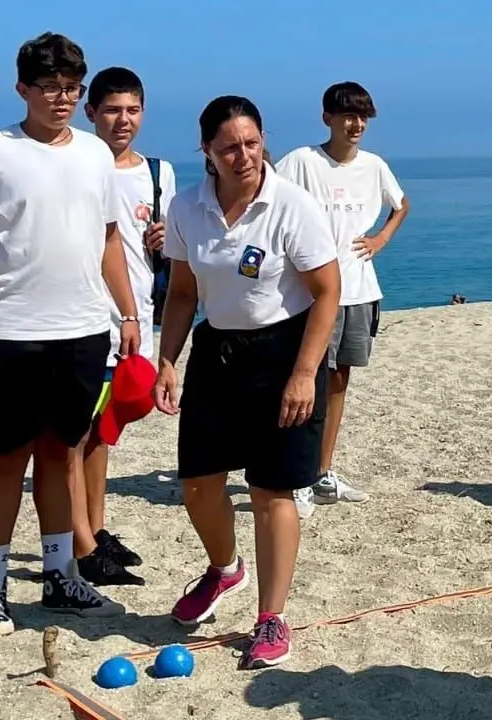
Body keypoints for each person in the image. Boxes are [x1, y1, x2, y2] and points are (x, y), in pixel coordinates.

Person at [0, 32, 136, 634]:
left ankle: (60, 576)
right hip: (9, 333)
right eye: (50, 87)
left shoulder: (94, 155)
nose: (61, 99)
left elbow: (109, 239)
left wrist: (127, 313)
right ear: (23, 88)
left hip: (82, 330)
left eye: (71, 88)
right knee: (5, 457)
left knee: (62, 452)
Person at [153, 96, 340, 669]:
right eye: (230, 146)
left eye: (253, 144)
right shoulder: (187, 208)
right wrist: (168, 360)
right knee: (198, 484)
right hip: (218, 349)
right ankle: (224, 569)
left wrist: (305, 374)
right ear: (207, 151)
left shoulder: (291, 205)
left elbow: (327, 291)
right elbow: (183, 292)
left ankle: (271, 617)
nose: (244, 157)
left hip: (285, 350)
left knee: (271, 491)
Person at [274, 82, 411, 514]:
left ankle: (322, 472)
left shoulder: (373, 166)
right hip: (311, 294)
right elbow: (269, 201)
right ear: (326, 118)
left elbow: (401, 204)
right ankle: (294, 475)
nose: (355, 124)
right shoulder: (301, 162)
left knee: (337, 383)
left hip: (360, 289)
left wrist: (380, 240)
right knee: (302, 382)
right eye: (347, 115)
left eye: (362, 117)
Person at [72, 66, 178, 586]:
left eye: (132, 109)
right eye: (112, 109)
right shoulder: (79, 165)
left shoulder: (158, 173)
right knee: (81, 429)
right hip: (89, 316)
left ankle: (96, 526)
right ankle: (83, 542)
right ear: (90, 112)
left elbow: (167, 252)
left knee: (104, 432)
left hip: (137, 315)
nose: (122, 120)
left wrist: (166, 242)